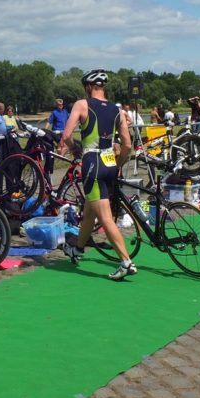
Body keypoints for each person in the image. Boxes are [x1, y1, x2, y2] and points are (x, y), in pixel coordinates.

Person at [59, 69, 135, 281]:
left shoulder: (82, 104)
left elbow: (66, 135)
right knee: (90, 210)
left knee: (105, 216)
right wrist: (118, 163)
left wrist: (74, 148)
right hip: (110, 162)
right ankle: (78, 249)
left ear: (88, 87)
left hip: (92, 162)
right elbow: (127, 144)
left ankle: (126, 261)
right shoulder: (117, 110)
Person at [44, 98, 69, 177]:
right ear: (56, 105)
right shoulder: (54, 113)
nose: (60, 106)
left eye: (61, 104)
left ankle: (61, 158)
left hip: (64, 132)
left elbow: (70, 120)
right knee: (59, 146)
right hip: (56, 132)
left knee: (65, 146)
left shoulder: (65, 112)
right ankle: (58, 158)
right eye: (58, 104)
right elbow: (49, 122)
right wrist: (44, 130)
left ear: (63, 104)